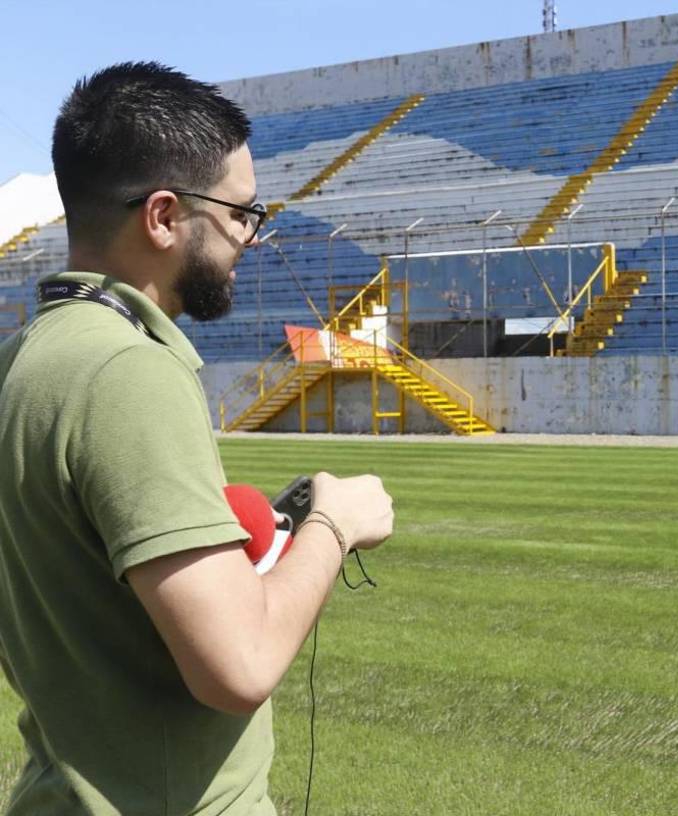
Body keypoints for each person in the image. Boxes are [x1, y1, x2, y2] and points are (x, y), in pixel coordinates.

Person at [0, 62, 394, 815]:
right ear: (162, 216)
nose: (252, 234)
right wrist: (333, 526)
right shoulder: (126, 371)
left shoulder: (19, 358)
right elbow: (238, 666)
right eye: (242, 211)